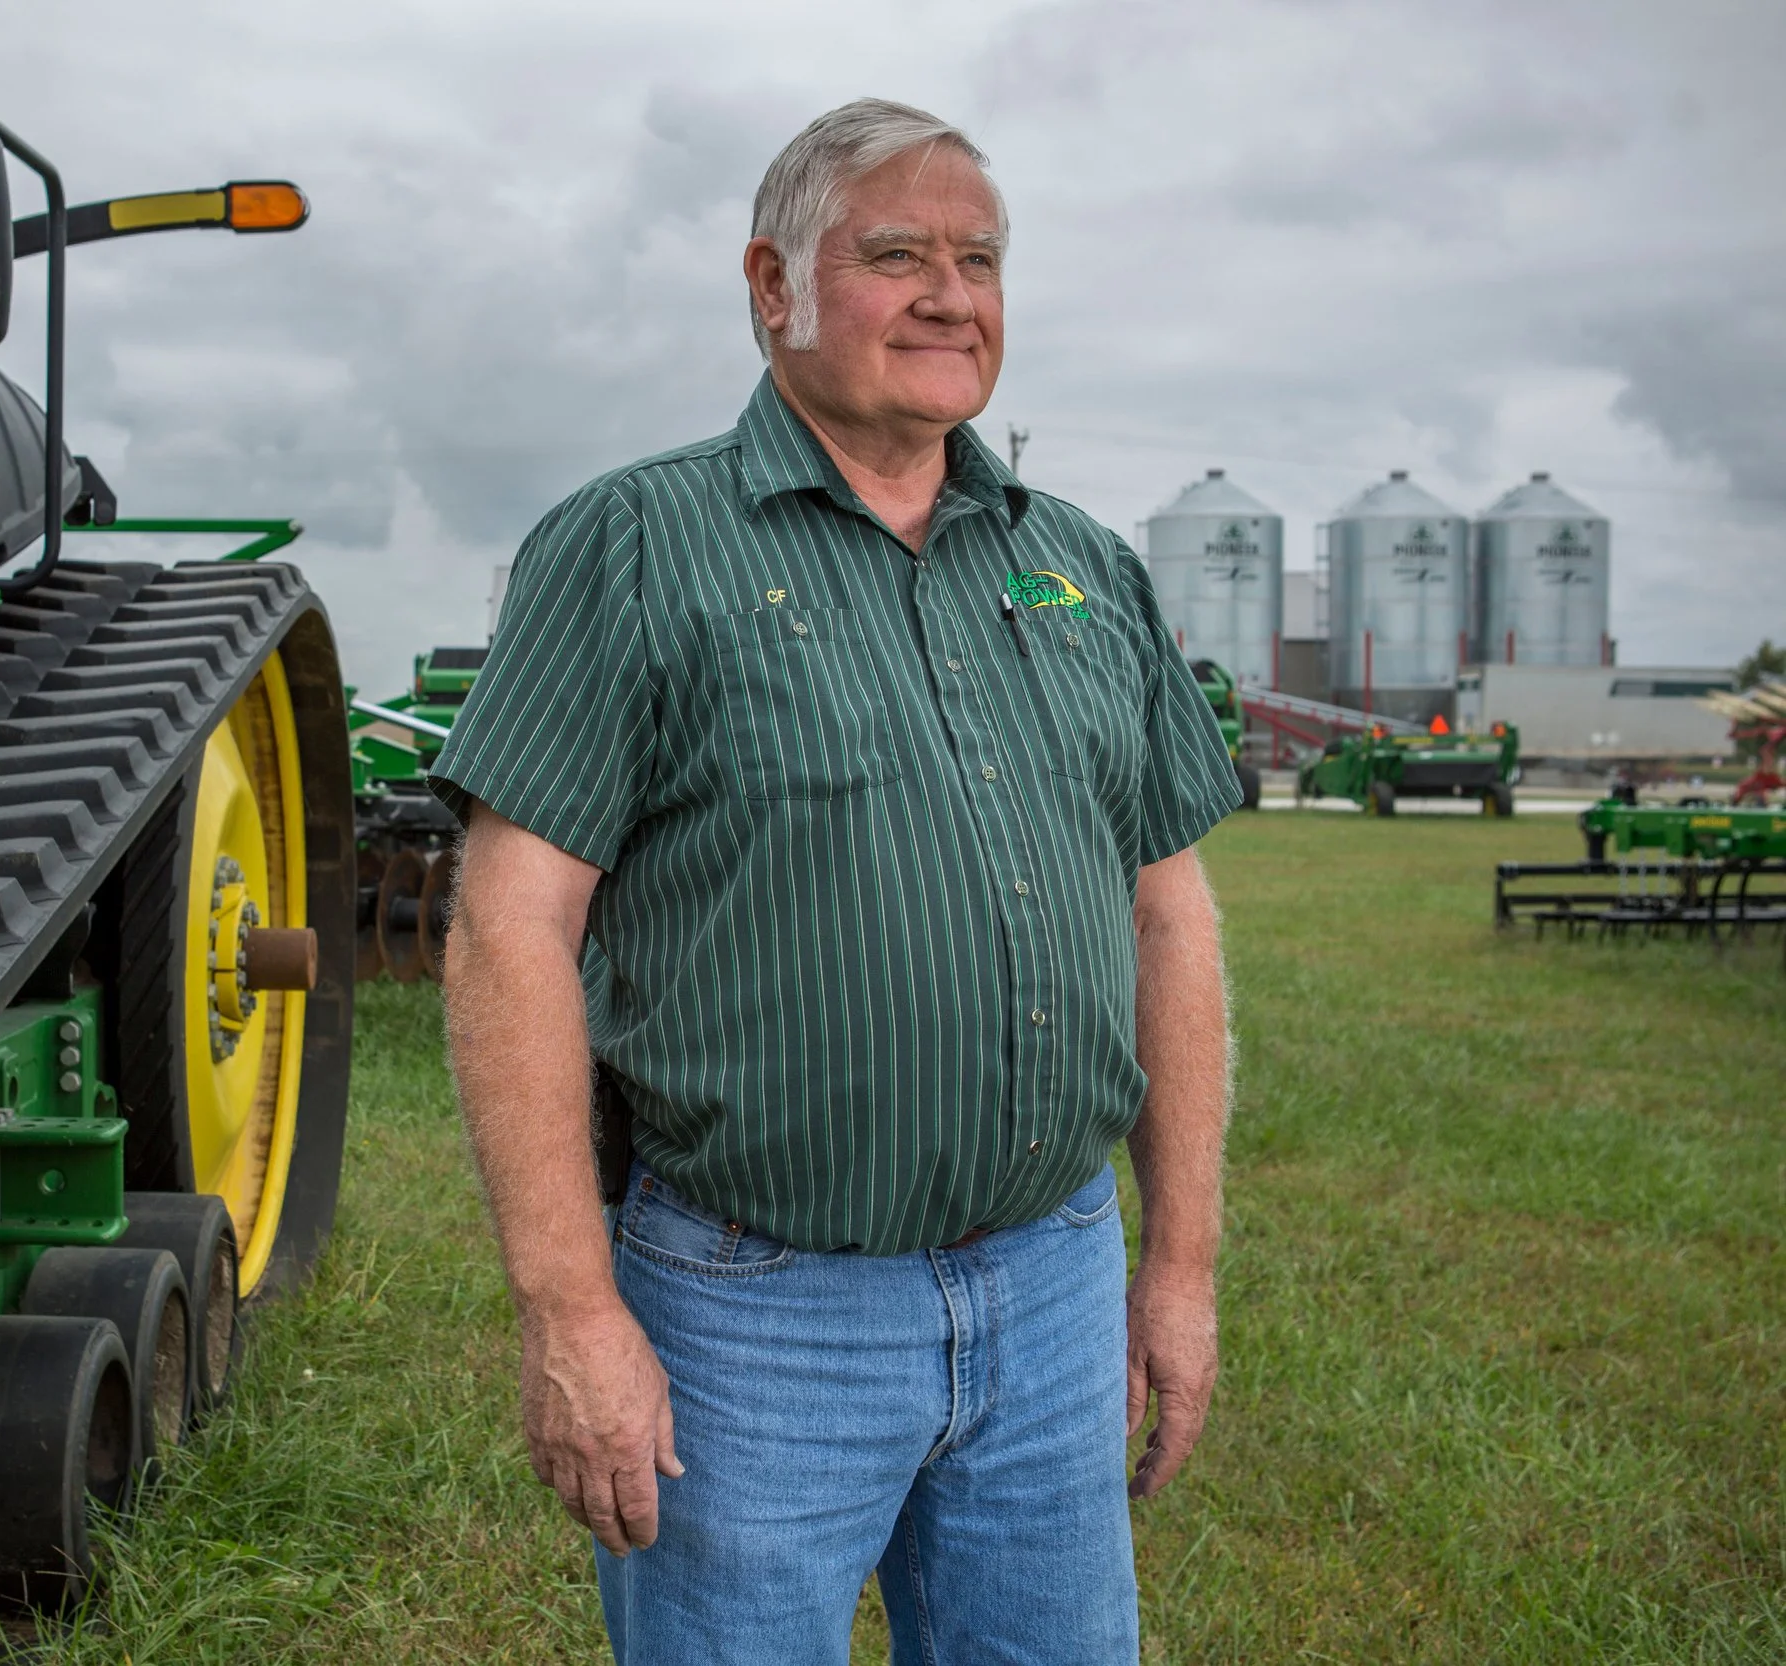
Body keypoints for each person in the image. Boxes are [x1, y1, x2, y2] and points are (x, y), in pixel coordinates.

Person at [431, 98, 1243, 1665]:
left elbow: (1168, 912)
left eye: (981, 258)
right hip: (755, 1315)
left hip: (1055, 1275)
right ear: (772, 286)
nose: (952, 294)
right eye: (895, 255)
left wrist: (1179, 1263)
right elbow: (507, 926)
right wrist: (571, 1310)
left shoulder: (1081, 566)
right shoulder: (635, 547)